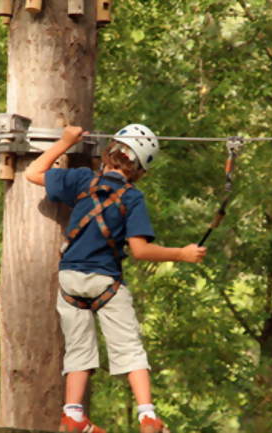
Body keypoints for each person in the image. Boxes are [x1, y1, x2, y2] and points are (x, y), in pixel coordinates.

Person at [25, 124, 207, 433]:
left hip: (70, 279)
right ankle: (147, 415)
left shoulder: (83, 179)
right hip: (105, 282)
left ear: (109, 151)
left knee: (78, 348)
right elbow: (140, 250)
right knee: (129, 348)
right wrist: (181, 254)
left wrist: (66, 142)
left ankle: (73, 415)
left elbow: (33, 172)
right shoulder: (133, 199)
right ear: (140, 171)